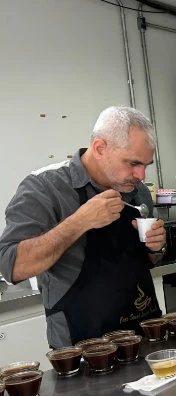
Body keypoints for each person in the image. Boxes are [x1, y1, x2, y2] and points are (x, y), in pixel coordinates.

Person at [0, 106, 166, 348]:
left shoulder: (136, 189)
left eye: (146, 165)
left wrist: (155, 248)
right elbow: (12, 266)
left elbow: (145, 260)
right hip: (83, 347)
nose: (141, 175)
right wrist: (79, 222)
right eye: (133, 163)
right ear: (99, 148)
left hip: (144, 334)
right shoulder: (45, 188)